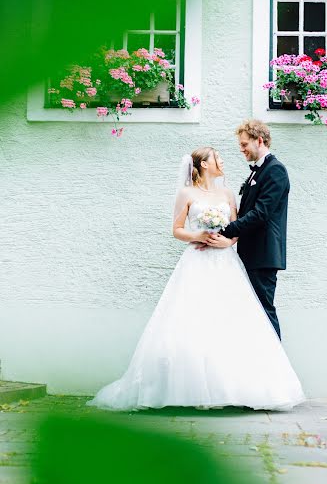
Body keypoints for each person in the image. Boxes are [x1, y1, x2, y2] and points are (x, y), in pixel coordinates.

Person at [87, 146, 304, 411]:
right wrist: (198, 236)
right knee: (192, 316)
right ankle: (188, 389)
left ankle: (238, 387)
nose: (223, 160)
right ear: (203, 164)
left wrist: (227, 241)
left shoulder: (226, 194)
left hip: (226, 263)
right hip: (196, 261)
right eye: (217, 158)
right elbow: (177, 230)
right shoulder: (186, 194)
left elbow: (236, 228)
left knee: (231, 319)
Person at [206, 120, 288, 339]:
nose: (241, 149)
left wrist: (225, 231)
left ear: (259, 140)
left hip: (263, 255)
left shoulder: (275, 170)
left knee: (263, 311)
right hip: (250, 254)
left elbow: (260, 214)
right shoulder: (257, 172)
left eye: (244, 144)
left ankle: (277, 367)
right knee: (252, 313)